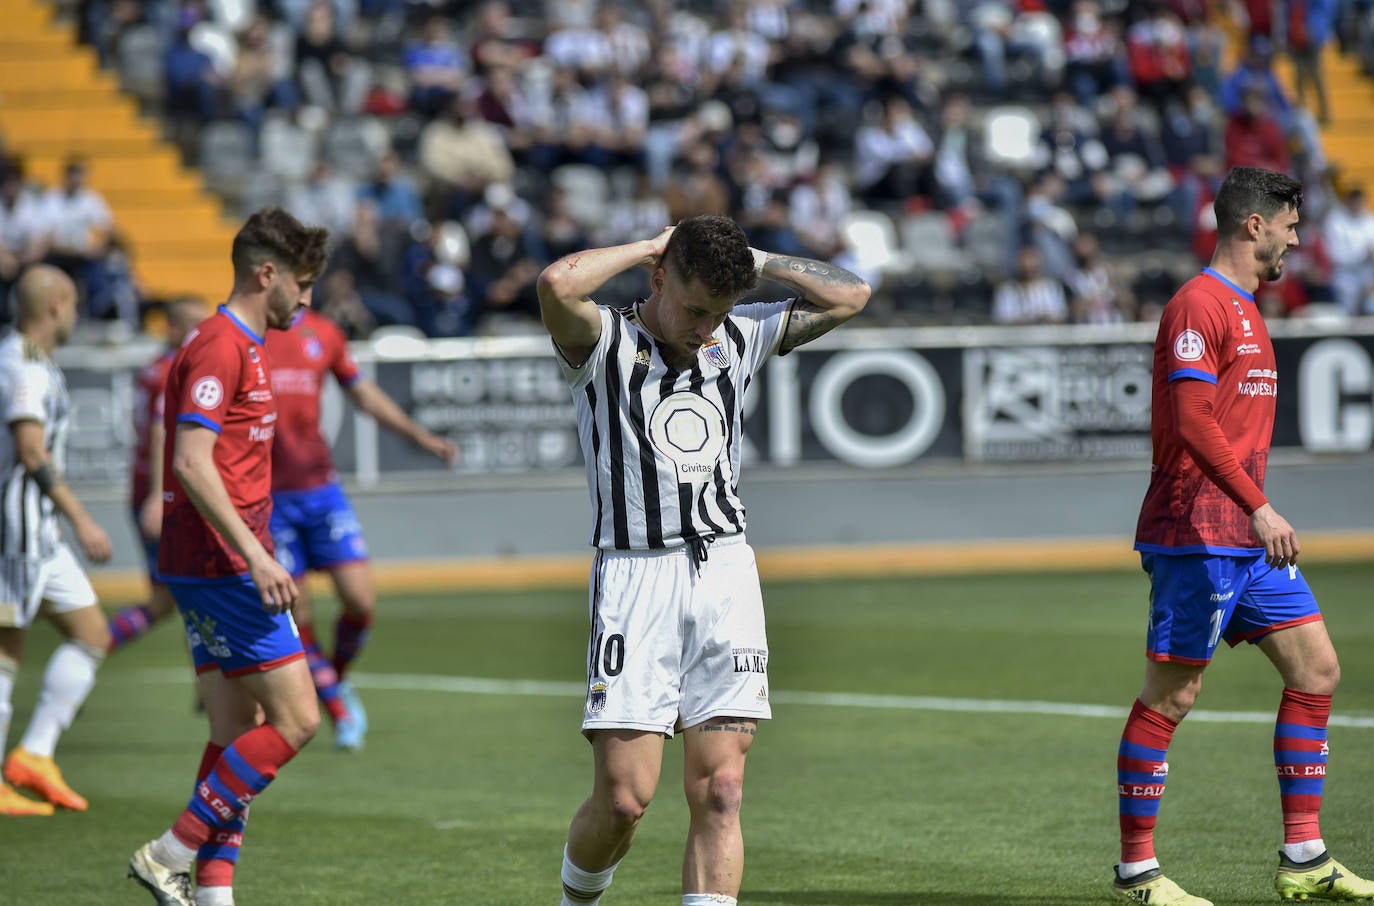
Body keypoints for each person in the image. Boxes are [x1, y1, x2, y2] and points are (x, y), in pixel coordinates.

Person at [538, 214, 870, 906]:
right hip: (635, 577)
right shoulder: (604, 342)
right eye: (694, 309)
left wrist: (761, 258)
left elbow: (851, 296)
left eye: (718, 313)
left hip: (724, 573)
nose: (705, 328)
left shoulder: (737, 337)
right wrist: (649, 244)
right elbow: (556, 283)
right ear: (659, 278)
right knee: (626, 800)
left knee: (722, 789)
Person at [1112, 167, 1374, 905]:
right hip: (1196, 531)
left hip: (1245, 537)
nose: (1299, 235)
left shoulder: (1249, 309)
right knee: (1172, 696)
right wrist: (1260, 506)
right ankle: (1137, 874)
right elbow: (1193, 421)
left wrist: (1254, 515)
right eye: (1290, 222)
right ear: (1253, 224)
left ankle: (1305, 854)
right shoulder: (1200, 304)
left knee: (1317, 669)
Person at [128, 208, 328, 906]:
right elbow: (191, 461)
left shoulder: (240, 344)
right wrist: (258, 558)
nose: (306, 301)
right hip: (222, 566)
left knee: (231, 734)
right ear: (264, 273)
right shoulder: (219, 345)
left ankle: (212, 896)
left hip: (211, 562)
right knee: (298, 720)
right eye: (301, 284)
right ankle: (168, 853)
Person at [264, 305, 457, 751]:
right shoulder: (249, 334)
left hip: (321, 491)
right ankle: (338, 709)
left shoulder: (324, 334)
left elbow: (364, 395)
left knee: (360, 603)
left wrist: (421, 438)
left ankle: (335, 678)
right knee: (298, 616)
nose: (305, 288)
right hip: (268, 500)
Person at [0, 265, 113, 816]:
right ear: (57, 304)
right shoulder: (24, 368)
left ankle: (35, 756)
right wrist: (82, 517)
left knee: (92, 633)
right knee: (4, 649)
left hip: (38, 532)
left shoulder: (27, 360)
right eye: (72, 306)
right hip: (13, 536)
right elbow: (30, 449)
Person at [106, 298, 212, 653]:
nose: (203, 331)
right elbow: (160, 433)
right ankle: (91, 646)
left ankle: (209, 679)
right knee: (191, 592)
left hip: (154, 489)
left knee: (176, 598)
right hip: (164, 493)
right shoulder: (175, 370)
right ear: (172, 328)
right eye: (193, 323)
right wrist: (157, 496)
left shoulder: (154, 367)